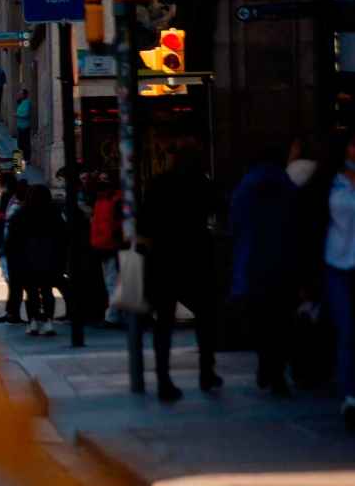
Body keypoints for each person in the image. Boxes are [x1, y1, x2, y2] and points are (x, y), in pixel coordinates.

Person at [138, 145, 223, 402]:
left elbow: (144, 223)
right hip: (195, 257)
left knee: (163, 323)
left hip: (163, 260)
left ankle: (164, 380)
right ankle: (206, 371)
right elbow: (217, 209)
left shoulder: (158, 184)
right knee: (206, 317)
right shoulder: (202, 183)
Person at [229, 147, 298, 395]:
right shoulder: (287, 186)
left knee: (260, 319)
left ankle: (265, 362)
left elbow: (234, 225)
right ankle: (277, 372)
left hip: (252, 264)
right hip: (282, 263)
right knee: (281, 320)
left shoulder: (244, 188)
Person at [299, 132, 355, 429]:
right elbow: (311, 227)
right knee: (347, 331)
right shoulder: (328, 184)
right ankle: (350, 396)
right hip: (337, 265)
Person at [6, 184, 68, 335]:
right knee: (47, 291)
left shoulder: (21, 214)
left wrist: (14, 261)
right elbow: (63, 237)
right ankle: (48, 322)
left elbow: (12, 241)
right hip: (49, 258)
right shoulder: (54, 213)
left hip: (27, 259)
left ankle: (33, 322)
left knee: (31, 292)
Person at [88, 173, 125, 326]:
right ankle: (113, 314)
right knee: (111, 282)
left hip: (110, 246)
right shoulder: (102, 200)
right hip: (103, 246)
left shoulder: (113, 201)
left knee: (112, 282)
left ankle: (113, 316)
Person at [0, 172, 29, 324]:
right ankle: (12, 311)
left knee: (14, 282)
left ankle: (13, 312)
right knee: (15, 282)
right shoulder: (14, 199)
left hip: (8, 245)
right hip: (9, 245)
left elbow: (0, 218)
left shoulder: (9, 199)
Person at [14, 89, 33, 162]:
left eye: (20, 94)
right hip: (20, 127)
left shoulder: (27, 103)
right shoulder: (21, 103)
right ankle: (20, 160)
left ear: (25, 95)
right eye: (19, 94)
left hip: (25, 127)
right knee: (20, 144)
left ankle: (27, 159)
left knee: (26, 144)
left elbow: (26, 114)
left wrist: (17, 115)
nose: (19, 95)